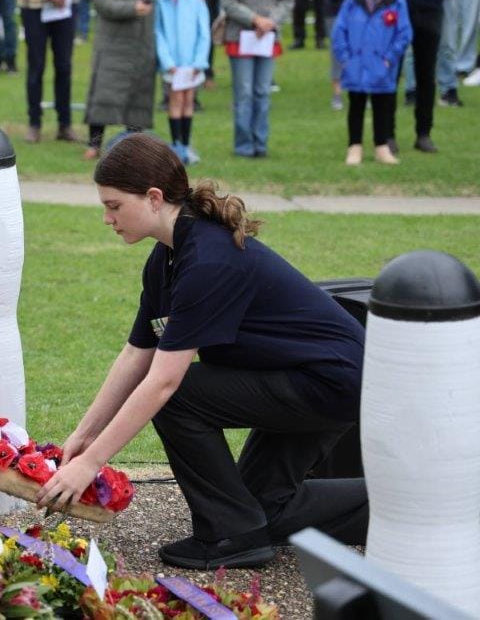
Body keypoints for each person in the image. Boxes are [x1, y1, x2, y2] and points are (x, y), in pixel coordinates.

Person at [36, 133, 369, 571]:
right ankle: (409, 505)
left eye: (114, 205)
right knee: (263, 510)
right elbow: (136, 354)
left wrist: (93, 463)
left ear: (154, 198)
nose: (107, 218)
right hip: (311, 376)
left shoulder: (208, 260)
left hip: (330, 381)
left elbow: (163, 382)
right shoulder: (167, 258)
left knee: (178, 398)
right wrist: (83, 437)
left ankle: (230, 535)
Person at [365, 0, 455, 154]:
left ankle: (424, 133)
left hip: (430, 7)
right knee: (390, 73)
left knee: (426, 74)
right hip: (394, 8)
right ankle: (387, 134)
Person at [331, 0, 411, 166]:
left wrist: (390, 58)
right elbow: (339, 31)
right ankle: (354, 147)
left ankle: (381, 147)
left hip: (382, 64)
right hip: (356, 63)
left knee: (382, 105)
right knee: (356, 105)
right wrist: (346, 58)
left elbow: (404, 33)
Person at [81, 0, 157, 161]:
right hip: (113, 46)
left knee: (139, 98)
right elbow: (101, 2)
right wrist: (131, 8)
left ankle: (135, 147)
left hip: (142, 45)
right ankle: (94, 145)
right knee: (103, 97)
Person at [8, 0, 88, 144]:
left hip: (66, 3)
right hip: (33, 5)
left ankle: (65, 124)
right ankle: (34, 123)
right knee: (36, 65)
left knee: (64, 65)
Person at [220, 0, 293, 157]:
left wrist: (271, 21)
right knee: (244, 92)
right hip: (240, 37)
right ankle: (243, 145)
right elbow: (227, 0)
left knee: (262, 91)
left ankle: (260, 143)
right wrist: (254, 19)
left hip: (267, 37)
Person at [154, 0, 210, 165]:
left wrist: (199, 62)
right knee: (175, 100)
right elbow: (158, 32)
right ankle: (176, 145)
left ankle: (186, 145)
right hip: (173, 64)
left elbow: (204, 32)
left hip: (192, 62)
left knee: (188, 101)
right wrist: (167, 61)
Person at [317, 0, 363, 109]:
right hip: (334, 8)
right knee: (338, 51)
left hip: (359, 7)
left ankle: (359, 90)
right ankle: (337, 93)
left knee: (359, 48)